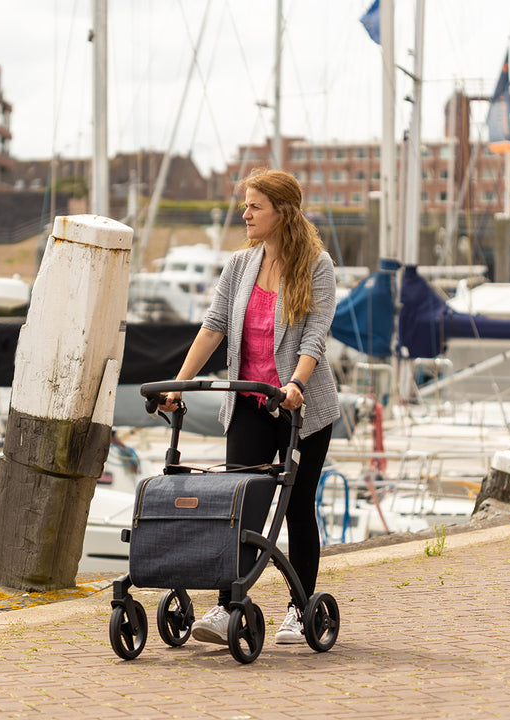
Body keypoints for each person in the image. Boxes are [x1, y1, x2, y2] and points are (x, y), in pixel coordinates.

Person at [157, 168, 340, 646]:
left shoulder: (316, 265)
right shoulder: (240, 264)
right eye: (247, 204)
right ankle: (227, 605)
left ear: (282, 212)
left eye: (255, 206)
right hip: (248, 404)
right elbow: (214, 325)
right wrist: (178, 384)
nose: (246, 213)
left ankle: (300, 612)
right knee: (238, 507)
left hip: (301, 408)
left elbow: (315, 336)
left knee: (297, 506)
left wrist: (296, 383)